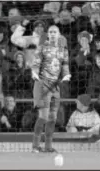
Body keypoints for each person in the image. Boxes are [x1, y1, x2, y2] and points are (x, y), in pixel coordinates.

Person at [29, 25, 71, 153]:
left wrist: (67, 74)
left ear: (59, 34)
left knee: (53, 118)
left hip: (56, 86)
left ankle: (48, 146)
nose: (53, 34)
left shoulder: (63, 49)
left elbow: (65, 65)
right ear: (48, 34)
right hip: (43, 84)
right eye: (51, 32)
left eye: (55, 32)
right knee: (43, 117)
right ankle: (35, 146)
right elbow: (35, 64)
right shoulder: (42, 48)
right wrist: (34, 73)